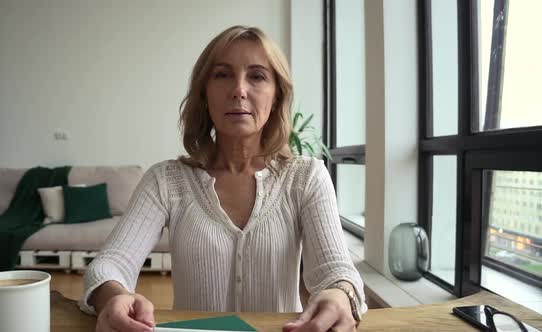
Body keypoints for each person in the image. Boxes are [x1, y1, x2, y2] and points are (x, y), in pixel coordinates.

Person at [79, 25, 368, 332]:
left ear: (277, 96)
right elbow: (109, 264)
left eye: (257, 76)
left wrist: (340, 295)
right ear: (204, 93)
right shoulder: (166, 180)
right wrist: (112, 296)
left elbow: (337, 271)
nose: (239, 90)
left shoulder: (306, 177)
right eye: (223, 75)